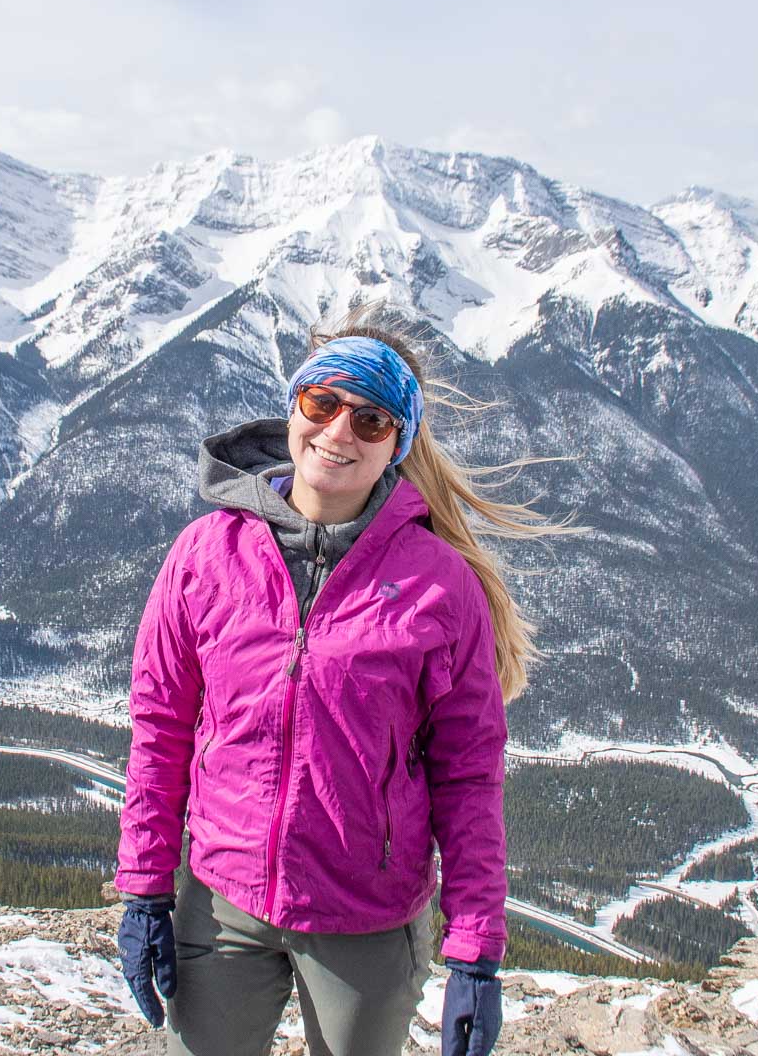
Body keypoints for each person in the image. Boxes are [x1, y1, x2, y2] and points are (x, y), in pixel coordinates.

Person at [115, 310, 552, 1056]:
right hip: (222, 902)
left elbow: (469, 774)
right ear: (293, 407)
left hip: (367, 919)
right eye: (323, 404)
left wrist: (475, 949)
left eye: (371, 419)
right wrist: (146, 886)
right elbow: (161, 727)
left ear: (397, 445)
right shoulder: (204, 555)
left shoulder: (440, 588)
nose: (338, 432)